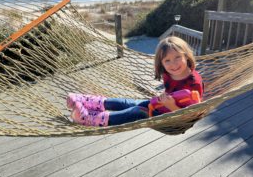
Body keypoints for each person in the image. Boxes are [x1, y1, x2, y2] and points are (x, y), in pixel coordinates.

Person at [67, 36, 204, 127]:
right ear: (161, 63)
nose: (173, 64)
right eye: (167, 60)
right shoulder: (169, 74)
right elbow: (172, 91)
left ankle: (92, 119)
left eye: (177, 57)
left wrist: (171, 105)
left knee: (137, 111)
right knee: (131, 102)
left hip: (174, 118)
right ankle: (93, 102)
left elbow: (192, 115)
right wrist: (164, 99)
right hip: (162, 106)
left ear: (186, 55)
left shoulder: (194, 83)